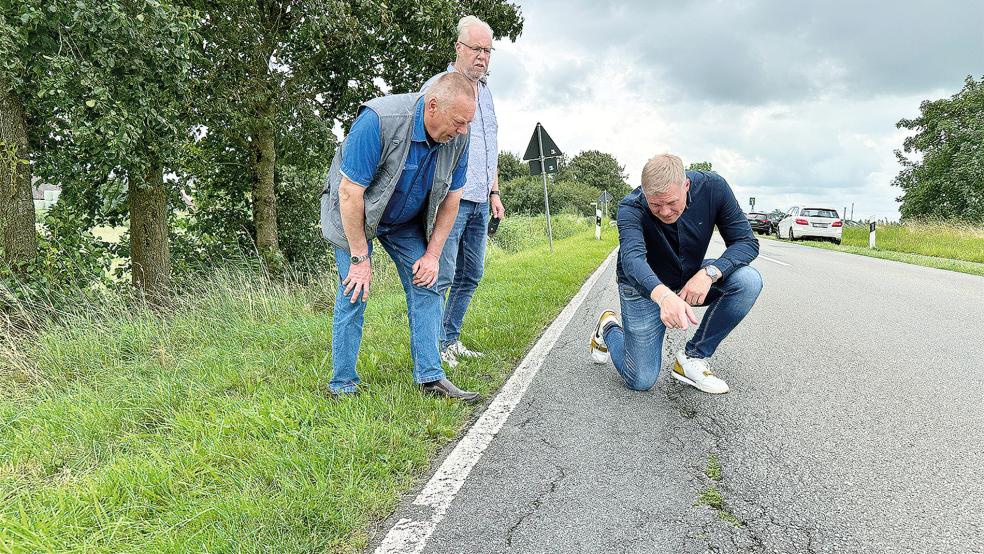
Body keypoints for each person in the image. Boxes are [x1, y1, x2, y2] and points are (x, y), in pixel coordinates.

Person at [320, 72, 481, 402]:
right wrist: (359, 258)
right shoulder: (378, 121)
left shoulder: (459, 138)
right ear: (433, 106)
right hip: (355, 214)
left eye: (467, 123)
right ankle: (343, 385)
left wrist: (433, 254)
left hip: (405, 219)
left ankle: (430, 378)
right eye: (459, 122)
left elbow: (453, 196)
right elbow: (350, 192)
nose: (463, 130)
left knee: (427, 283)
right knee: (354, 290)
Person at [589, 154, 762, 394]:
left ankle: (692, 358)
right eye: (655, 205)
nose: (665, 212)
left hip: (688, 277)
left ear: (686, 186)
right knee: (641, 379)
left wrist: (709, 273)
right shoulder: (631, 206)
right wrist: (664, 297)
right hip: (643, 288)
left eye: (671, 202)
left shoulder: (714, 188)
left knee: (748, 281)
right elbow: (632, 260)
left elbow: (746, 241)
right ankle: (608, 327)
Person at [421, 15, 504, 368]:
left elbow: (492, 146)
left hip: (481, 200)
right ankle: (433, 347)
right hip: (450, 200)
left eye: (488, 50)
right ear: (459, 48)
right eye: (476, 49)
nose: (482, 56)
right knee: (443, 275)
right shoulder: (438, 87)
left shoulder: (486, 93)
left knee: (472, 274)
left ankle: (451, 339)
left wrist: (495, 192)